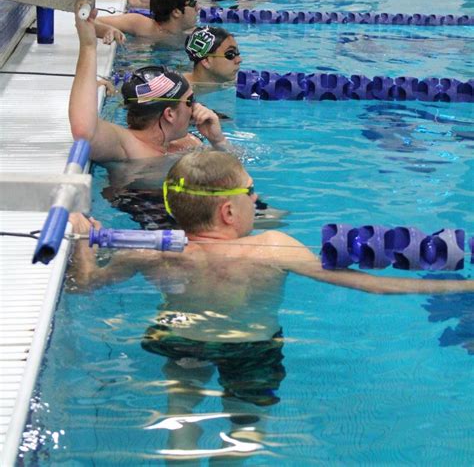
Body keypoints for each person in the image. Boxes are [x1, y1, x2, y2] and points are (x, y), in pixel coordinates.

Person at [70, 150, 474, 456]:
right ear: (229, 211)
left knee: (182, 409)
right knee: (244, 427)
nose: (257, 196)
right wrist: (465, 287)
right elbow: (372, 286)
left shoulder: (148, 252)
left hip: (179, 339)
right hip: (252, 348)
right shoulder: (273, 247)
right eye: (251, 191)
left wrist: (83, 243)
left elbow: (85, 285)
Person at [69, 4, 229, 164]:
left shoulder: (188, 143)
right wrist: (88, 47)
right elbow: (84, 132)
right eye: (189, 101)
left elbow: (228, 171)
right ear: (169, 114)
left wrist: (217, 141)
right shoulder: (127, 146)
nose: (195, 108)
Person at [94, 0, 199, 46]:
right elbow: (93, 22)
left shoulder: (194, 35)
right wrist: (107, 30)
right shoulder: (141, 24)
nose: (198, 8)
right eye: (193, 4)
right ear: (176, 12)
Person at [183, 26, 242, 91]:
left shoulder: (230, 83)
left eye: (237, 53)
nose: (239, 60)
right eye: (230, 54)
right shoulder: (179, 91)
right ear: (206, 61)